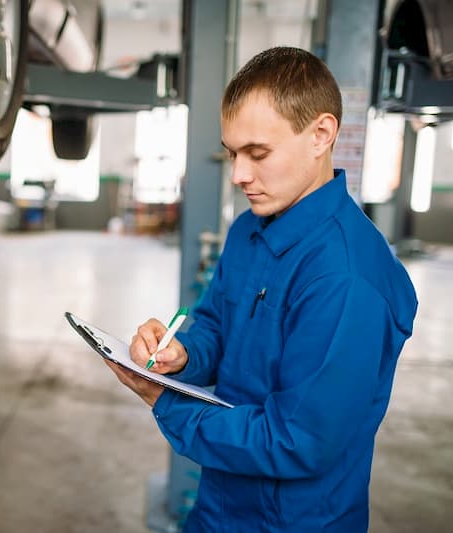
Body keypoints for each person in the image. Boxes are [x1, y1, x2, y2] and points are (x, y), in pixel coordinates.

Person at [105, 47, 418, 532]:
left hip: (296, 521)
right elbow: (214, 324)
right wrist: (181, 355)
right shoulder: (250, 230)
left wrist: (165, 401)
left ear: (321, 134)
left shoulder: (347, 279)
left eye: (258, 153)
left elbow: (297, 439)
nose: (238, 175)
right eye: (233, 153)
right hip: (220, 503)